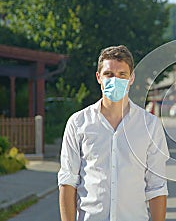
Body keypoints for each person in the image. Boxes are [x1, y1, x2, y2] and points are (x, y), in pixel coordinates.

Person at [58, 45, 169, 221]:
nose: (115, 80)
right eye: (109, 74)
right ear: (98, 77)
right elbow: (67, 181)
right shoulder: (78, 123)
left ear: (131, 78)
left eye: (122, 75)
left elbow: (157, 186)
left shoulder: (150, 125)